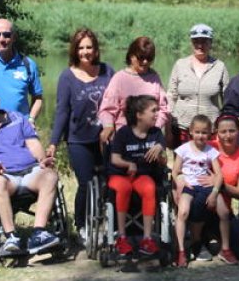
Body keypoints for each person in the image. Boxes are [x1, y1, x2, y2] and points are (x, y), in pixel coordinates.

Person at [0, 88, 61, 257]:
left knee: (50, 176)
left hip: (30, 171)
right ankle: (11, 236)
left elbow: (33, 144)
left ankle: (38, 233)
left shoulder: (18, 118)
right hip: (4, 176)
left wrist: (42, 160)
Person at [48, 28, 113, 239]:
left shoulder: (107, 71)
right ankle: (82, 224)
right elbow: (62, 111)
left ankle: (108, 222)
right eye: (81, 47)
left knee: (108, 182)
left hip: (105, 138)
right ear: (75, 50)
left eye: (89, 47)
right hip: (79, 140)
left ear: (96, 50)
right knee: (86, 182)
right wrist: (53, 143)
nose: (85, 51)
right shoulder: (67, 77)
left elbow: (118, 103)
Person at [108, 95, 167, 259]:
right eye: (153, 111)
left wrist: (160, 153)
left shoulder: (156, 134)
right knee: (124, 187)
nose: (157, 114)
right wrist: (128, 164)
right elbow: (114, 159)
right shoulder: (123, 133)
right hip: (121, 174)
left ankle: (147, 239)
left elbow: (164, 162)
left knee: (150, 187)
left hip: (143, 174)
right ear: (139, 114)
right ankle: (121, 237)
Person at [97, 36, 171, 145]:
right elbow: (107, 109)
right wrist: (108, 126)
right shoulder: (119, 78)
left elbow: (163, 109)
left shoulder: (154, 78)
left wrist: (156, 128)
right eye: (141, 57)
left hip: (149, 140)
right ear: (131, 56)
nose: (145, 62)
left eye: (149, 58)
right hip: (124, 139)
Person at [171, 116, 224, 267]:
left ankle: (198, 242)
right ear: (191, 132)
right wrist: (179, 181)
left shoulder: (211, 151)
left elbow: (219, 174)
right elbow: (175, 171)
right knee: (183, 212)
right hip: (188, 185)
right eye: (198, 132)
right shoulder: (184, 149)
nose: (201, 136)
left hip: (204, 186)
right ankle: (181, 251)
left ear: (210, 134)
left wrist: (214, 192)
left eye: (204, 133)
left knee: (207, 210)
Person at [167, 24, 229, 145]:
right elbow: (171, 95)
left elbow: (227, 100)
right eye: (196, 41)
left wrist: (222, 124)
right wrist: (169, 123)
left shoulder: (220, 66)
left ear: (211, 43)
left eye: (204, 41)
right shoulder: (180, 64)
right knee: (181, 163)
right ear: (191, 42)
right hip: (182, 128)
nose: (200, 45)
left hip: (209, 130)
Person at [212, 114, 239, 264]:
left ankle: (218, 240)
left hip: (225, 209)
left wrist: (220, 184)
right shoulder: (208, 147)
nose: (227, 136)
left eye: (232, 131)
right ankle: (199, 241)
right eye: (223, 132)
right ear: (216, 132)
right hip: (202, 204)